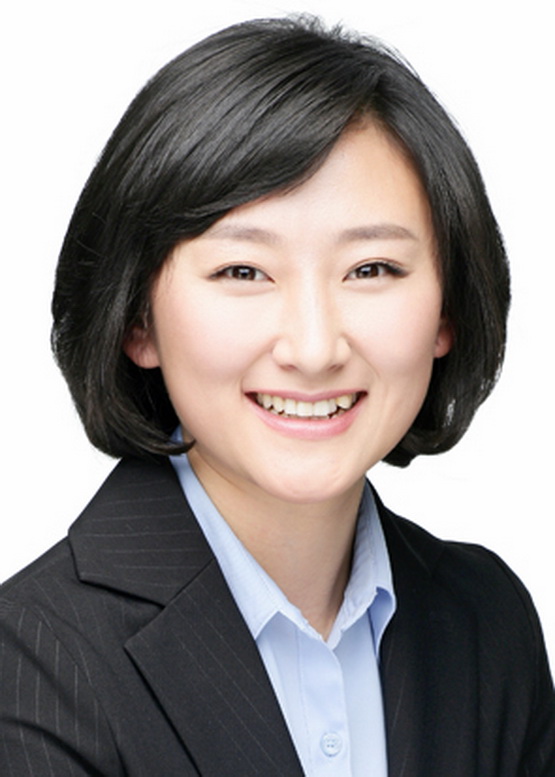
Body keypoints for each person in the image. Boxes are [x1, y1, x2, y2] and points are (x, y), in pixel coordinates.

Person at [0, 15, 553, 776]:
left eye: (371, 270)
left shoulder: (487, 620)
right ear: (137, 320)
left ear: (447, 312)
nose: (314, 348)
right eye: (243, 272)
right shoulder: (33, 661)